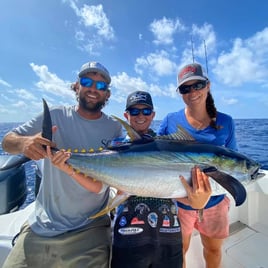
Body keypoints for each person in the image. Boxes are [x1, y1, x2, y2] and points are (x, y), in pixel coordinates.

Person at [1, 61, 123, 268]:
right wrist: (24, 143)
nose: (94, 88)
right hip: (43, 224)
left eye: (101, 86)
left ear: (107, 94)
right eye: (87, 82)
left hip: (91, 227)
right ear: (77, 86)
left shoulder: (114, 128)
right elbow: (7, 142)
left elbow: (109, 178)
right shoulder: (56, 115)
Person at [110, 91, 212, 268]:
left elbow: (176, 190)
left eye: (146, 111)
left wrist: (197, 201)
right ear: (126, 115)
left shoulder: (165, 145)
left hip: (168, 233)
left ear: (153, 115)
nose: (140, 116)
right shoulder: (115, 148)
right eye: (134, 112)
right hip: (128, 234)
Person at [158, 63, 237, 268]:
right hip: (179, 205)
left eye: (198, 85)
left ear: (208, 85)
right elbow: (155, 156)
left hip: (215, 203)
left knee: (213, 249)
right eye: (186, 88)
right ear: (180, 93)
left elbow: (234, 161)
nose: (192, 92)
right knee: (179, 251)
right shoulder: (170, 120)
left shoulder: (226, 122)